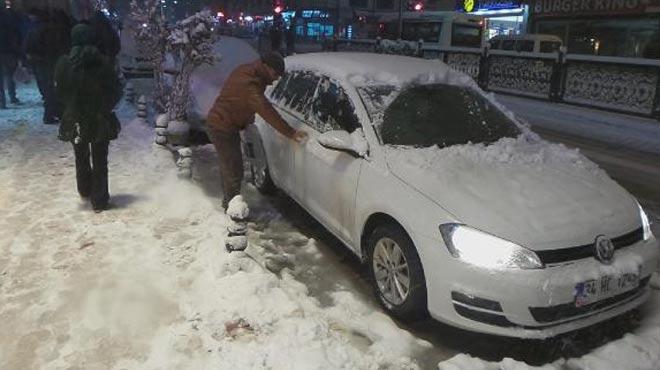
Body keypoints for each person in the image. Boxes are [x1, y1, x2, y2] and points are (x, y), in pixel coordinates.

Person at [206, 52, 308, 210]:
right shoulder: (250, 84)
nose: (275, 79)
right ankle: (232, 211)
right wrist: (291, 133)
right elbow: (266, 111)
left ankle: (229, 202)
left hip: (224, 123)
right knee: (233, 169)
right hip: (222, 127)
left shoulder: (248, 71)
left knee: (230, 166)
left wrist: (246, 119)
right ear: (266, 67)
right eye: (275, 74)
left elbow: (239, 100)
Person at [55, 23, 122, 212]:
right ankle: (99, 198)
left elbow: (59, 90)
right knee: (100, 158)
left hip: (75, 116)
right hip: (99, 117)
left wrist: (69, 106)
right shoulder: (104, 62)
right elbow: (115, 90)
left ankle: (84, 188)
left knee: (80, 154)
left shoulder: (64, 63)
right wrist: (105, 106)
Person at [25, 8, 71, 124]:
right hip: (49, 62)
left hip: (39, 62)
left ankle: (51, 113)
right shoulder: (52, 30)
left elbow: (28, 46)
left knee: (47, 88)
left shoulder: (34, 29)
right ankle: (52, 113)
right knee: (52, 88)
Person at [0, 6, 22, 108]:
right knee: (9, 75)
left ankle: (1, 101)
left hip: (7, 50)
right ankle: (12, 96)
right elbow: (14, 34)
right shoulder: (8, 19)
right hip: (8, 51)